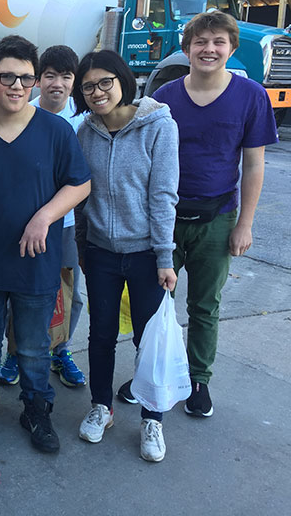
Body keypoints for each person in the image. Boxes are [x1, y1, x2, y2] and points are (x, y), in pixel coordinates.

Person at [0, 35, 91, 452]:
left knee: (32, 348)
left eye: (26, 78)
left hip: (37, 265)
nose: (17, 85)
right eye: (7, 76)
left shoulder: (55, 131)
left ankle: (36, 409)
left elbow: (79, 183)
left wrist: (44, 217)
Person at [149, 11, 277, 418]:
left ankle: (198, 380)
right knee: (154, 303)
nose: (209, 49)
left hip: (217, 218)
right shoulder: (165, 97)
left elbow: (254, 165)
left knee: (205, 307)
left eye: (218, 41)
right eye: (200, 41)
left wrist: (244, 224)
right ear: (186, 49)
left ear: (231, 48)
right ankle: (149, 375)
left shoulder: (251, 96)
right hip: (165, 219)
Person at [73, 50, 179, 462]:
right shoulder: (85, 132)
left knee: (147, 339)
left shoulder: (158, 125)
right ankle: (102, 406)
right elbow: (81, 197)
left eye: (105, 83)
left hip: (146, 254)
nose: (97, 92)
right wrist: (83, 248)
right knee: (100, 334)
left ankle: (153, 418)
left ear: (122, 81)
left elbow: (164, 194)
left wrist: (164, 256)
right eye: (88, 87)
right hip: (100, 252)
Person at [0, 45, 86, 388]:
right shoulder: (23, 113)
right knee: (19, 293)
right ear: (37, 80)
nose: (57, 83)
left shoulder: (84, 117)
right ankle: (14, 352)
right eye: (50, 75)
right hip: (24, 225)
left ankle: (60, 349)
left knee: (69, 294)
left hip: (67, 226)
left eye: (66, 76)